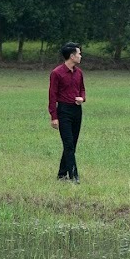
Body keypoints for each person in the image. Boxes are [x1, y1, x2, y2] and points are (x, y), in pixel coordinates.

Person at [48, 42, 86, 183]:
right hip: (63, 111)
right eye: (79, 53)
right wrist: (54, 117)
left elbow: (82, 89)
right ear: (72, 56)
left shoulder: (79, 73)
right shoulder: (56, 73)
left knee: (72, 144)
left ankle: (61, 175)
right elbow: (52, 95)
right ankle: (74, 176)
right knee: (68, 144)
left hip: (77, 110)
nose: (80, 56)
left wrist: (82, 98)